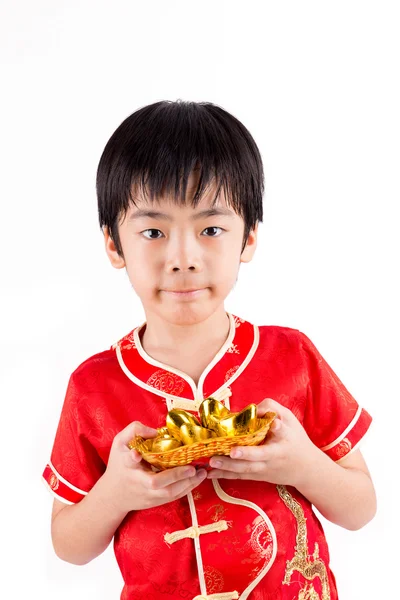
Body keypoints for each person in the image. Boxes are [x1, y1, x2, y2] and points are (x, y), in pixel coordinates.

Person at [42, 100, 376, 600]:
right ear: (114, 244)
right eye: (153, 231)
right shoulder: (94, 386)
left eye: (211, 229)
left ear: (249, 239)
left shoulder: (292, 356)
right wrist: (116, 492)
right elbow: (68, 544)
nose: (183, 258)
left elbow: (361, 508)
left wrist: (303, 465)